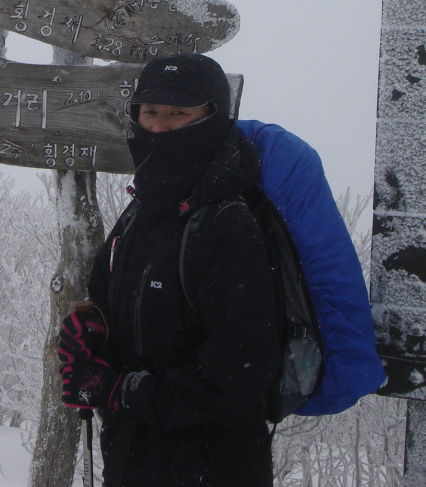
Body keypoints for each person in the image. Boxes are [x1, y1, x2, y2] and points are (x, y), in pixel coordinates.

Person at [58, 53, 281, 487]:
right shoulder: (142, 211)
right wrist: (94, 329)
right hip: (133, 458)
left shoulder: (227, 226)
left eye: (179, 113)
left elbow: (240, 375)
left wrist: (122, 390)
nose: (158, 127)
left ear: (213, 119)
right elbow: (110, 295)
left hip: (213, 466)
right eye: (150, 112)